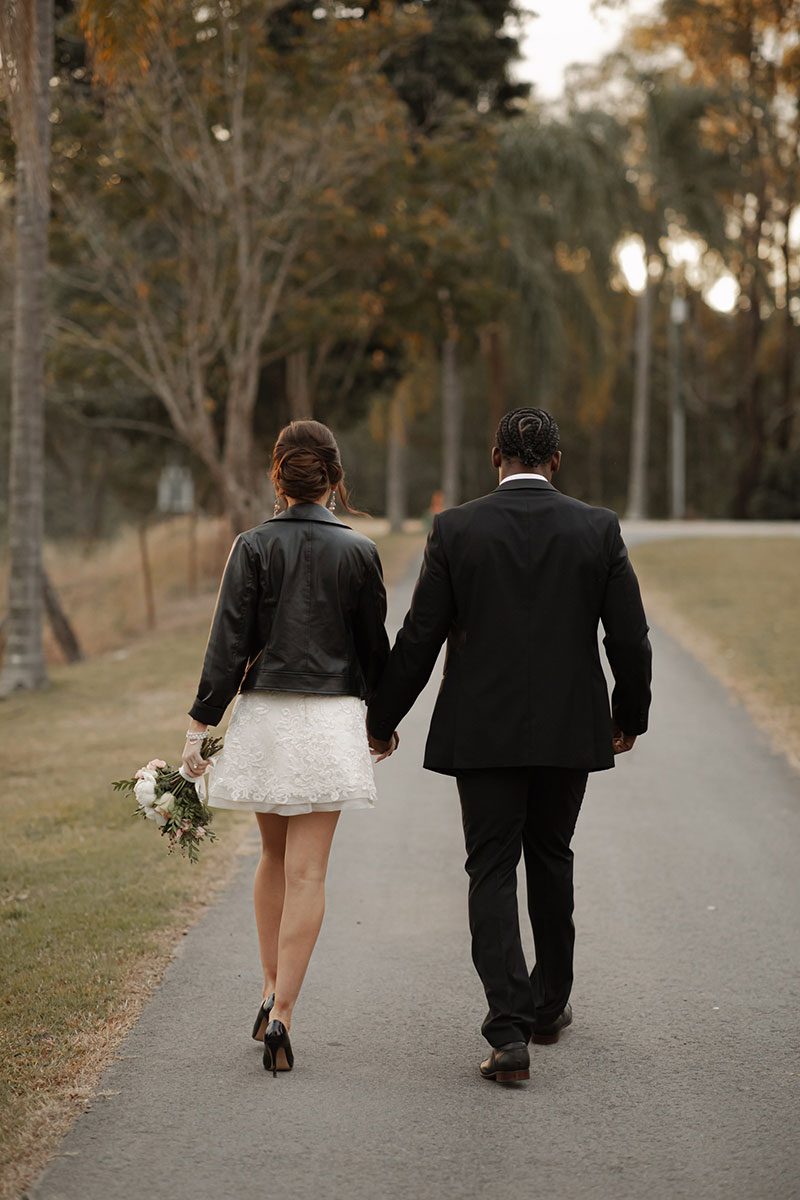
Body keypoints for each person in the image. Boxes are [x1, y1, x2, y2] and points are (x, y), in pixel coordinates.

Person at [366, 408, 651, 1083]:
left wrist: (381, 720)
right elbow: (629, 637)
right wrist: (627, 715)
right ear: (556, 460)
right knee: (551, 856)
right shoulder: (596, 528)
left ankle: (508, 1030)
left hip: (483, 732)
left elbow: (418, 637)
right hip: (568, 728)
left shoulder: (457, 528)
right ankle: (549, 1006)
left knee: (491, 868)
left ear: (496, 456)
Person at [181, 420, 394, 1077]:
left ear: (278, 477)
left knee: (271, 856)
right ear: (335, 478)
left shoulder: (250, 546)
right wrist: (381, 724)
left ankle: (269, 984)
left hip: (268, 719)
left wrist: (199, 728)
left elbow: (227, 642)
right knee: (309, 873)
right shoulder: (359, 552)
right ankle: (284, 1014)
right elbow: (372, 650)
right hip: (331, 724)